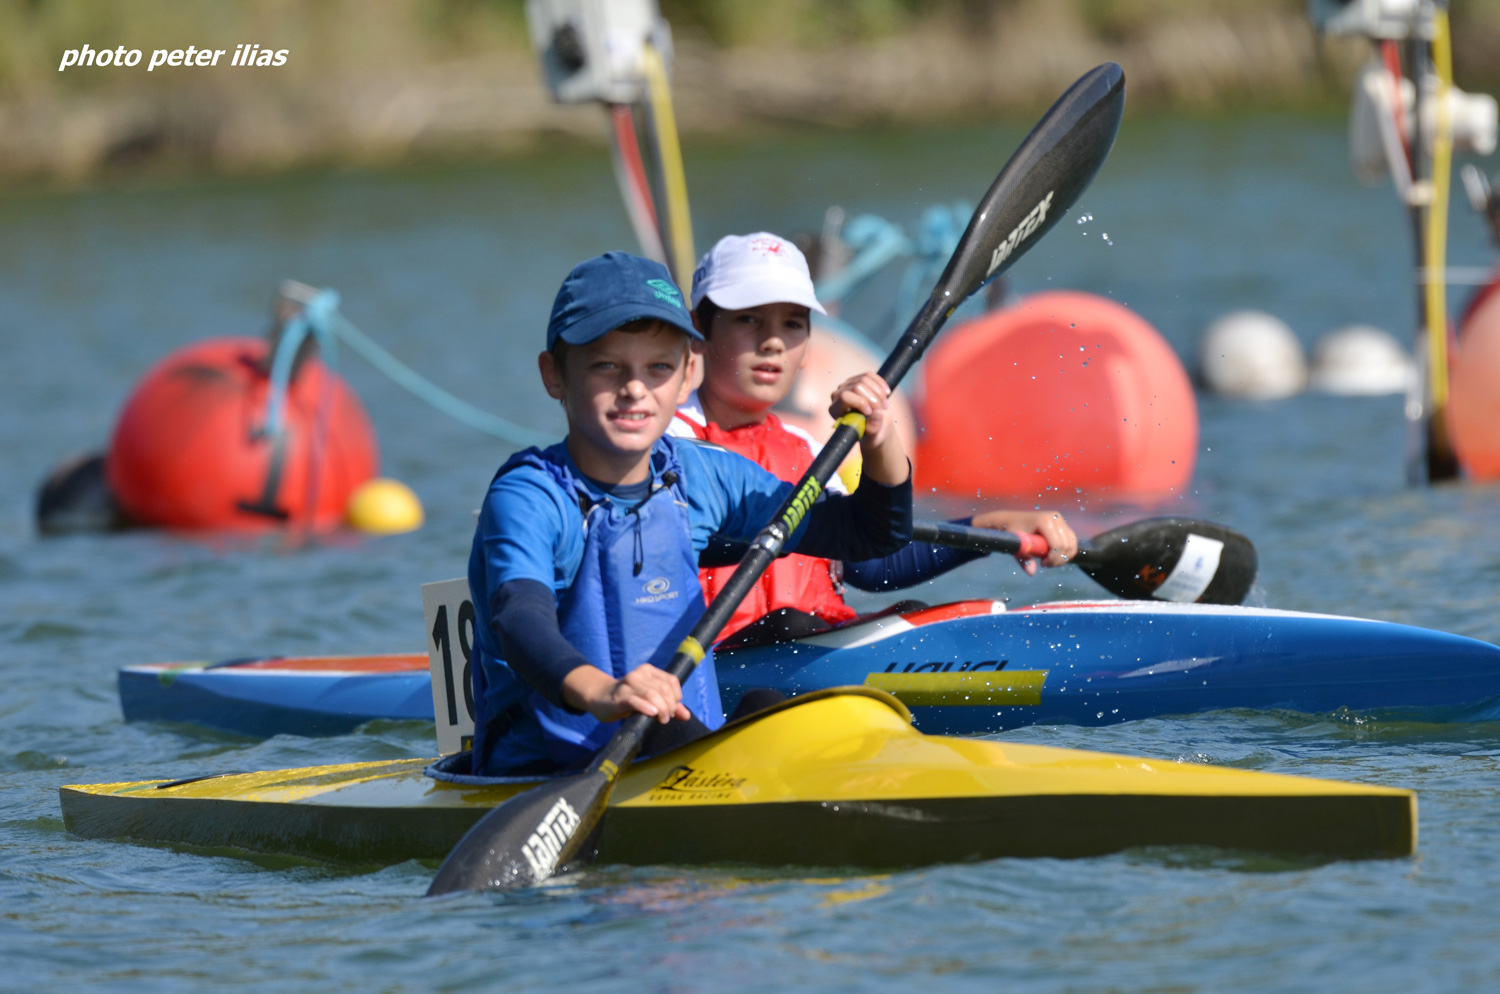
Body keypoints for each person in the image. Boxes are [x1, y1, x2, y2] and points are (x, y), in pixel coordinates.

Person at [467, 251, 913, 776]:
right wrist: (602, 691)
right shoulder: (529, 496)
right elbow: (519, 619)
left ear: (686, 376)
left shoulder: (701, 476)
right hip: (548, 770)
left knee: (775, 708)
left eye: (658, 367)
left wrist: (879, 438)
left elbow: (869, 535)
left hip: (680, 749)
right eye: (606, 366)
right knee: (669, 727)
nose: (635, 389)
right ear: (554, 375)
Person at [669, 232, 1078, 641]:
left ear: (808, 346)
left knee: (911, 618)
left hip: (812, 642)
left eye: (792, 324)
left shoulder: (805, 449)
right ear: (698, 329)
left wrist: (995, 525)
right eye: (748, 319)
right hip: (711, 658)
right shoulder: (667, 442)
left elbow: (873, 564)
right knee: (790, 624)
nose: (773, 342)